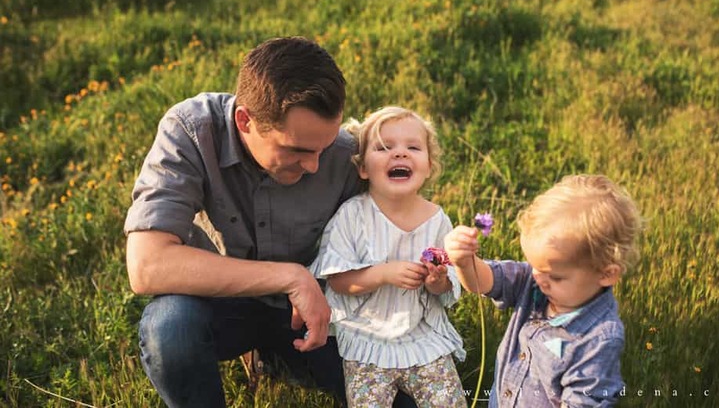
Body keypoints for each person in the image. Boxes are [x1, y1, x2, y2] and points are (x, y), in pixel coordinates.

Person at [124, 37, 416, 407]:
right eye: (297, 150)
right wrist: (291, 276)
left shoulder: (344, 156)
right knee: (170, 328)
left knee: (407, 397)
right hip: (219, 306)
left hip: (310, 319)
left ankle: (277, 361)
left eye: (322, 149)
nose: (314, 165)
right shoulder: (192, 130)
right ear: (245, 120)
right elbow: (147, 266)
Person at [311, 106, 467, 407]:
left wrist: (437, 280)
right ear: (363, 169)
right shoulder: (352, 215)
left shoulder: (437, 220)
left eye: (413, 147)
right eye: (384, 147)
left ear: (429, 165)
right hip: (366, 339)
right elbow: (339, 280)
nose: (400, 154)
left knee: (450, 401)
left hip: (422, 338)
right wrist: (383, 273)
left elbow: (445, 286)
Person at [445, 174, 642, 407]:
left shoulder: (598, 339)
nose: (539, 279)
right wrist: (464, 262)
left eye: (556, 276)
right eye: (536, 267)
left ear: (606, 274)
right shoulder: (533, 279)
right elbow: (484, 282)